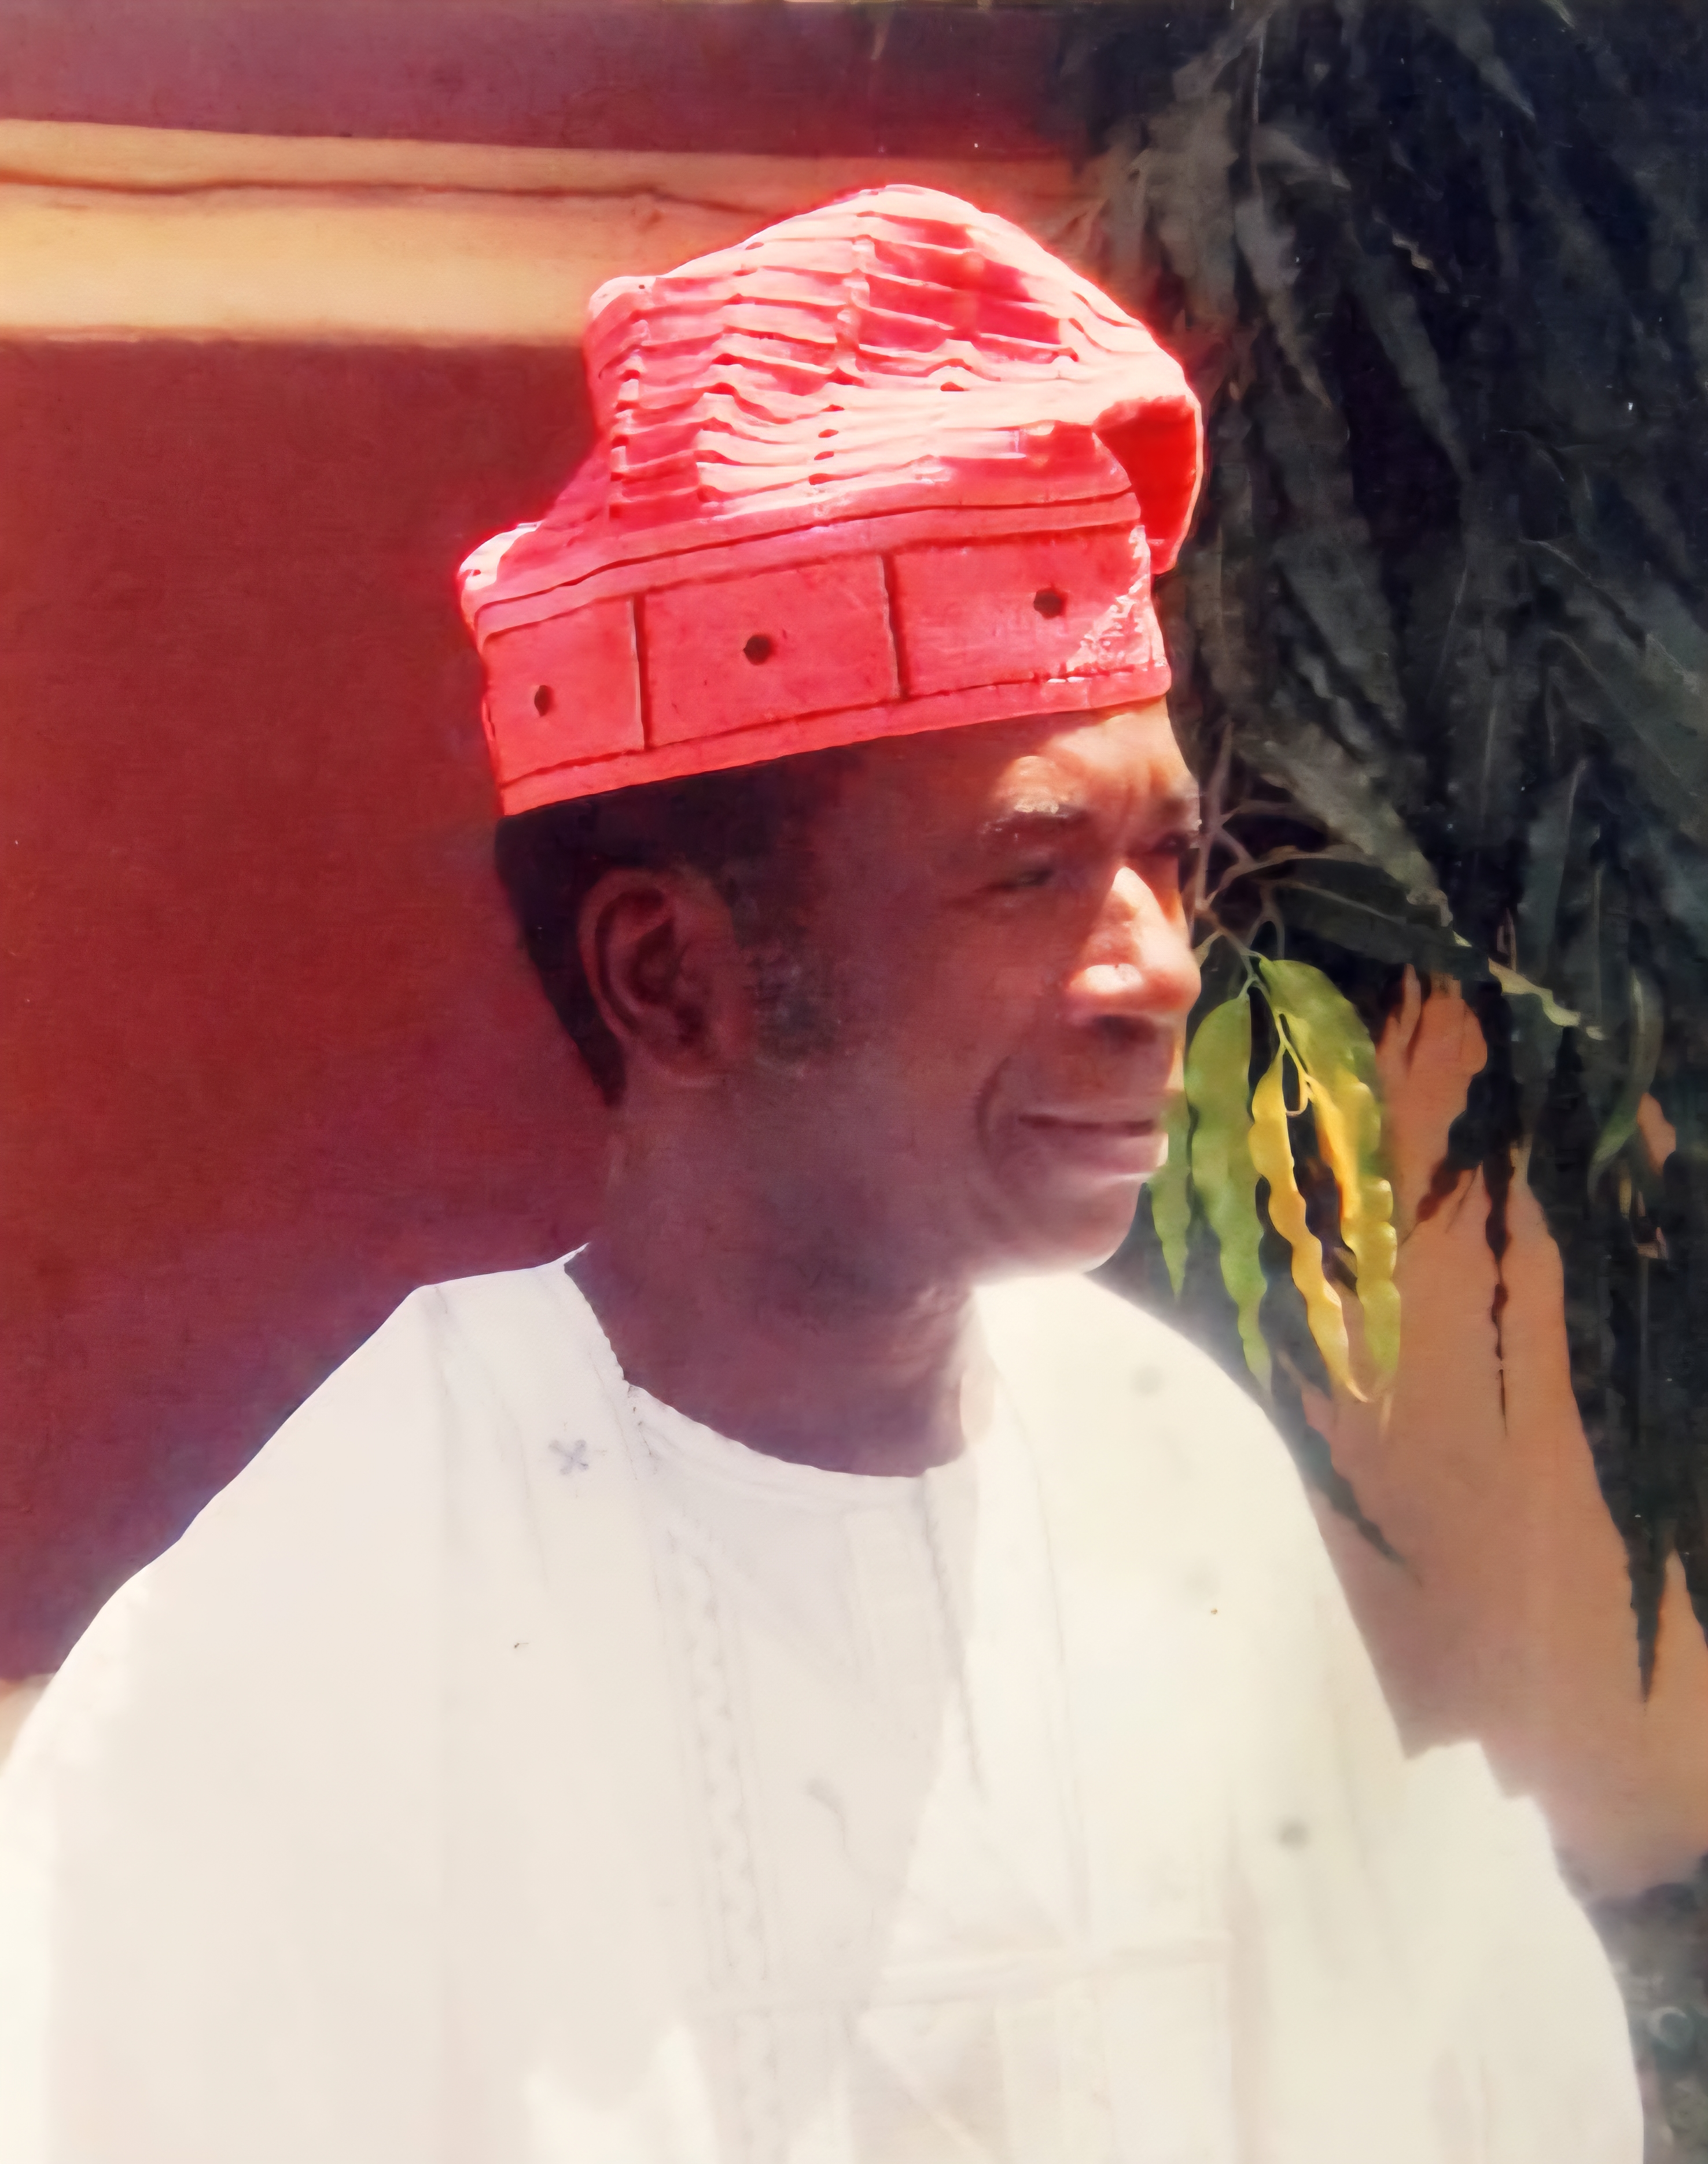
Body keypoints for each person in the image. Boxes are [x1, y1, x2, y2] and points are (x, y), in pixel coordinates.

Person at [0, 186, 1639, 2164]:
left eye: (1168, 859)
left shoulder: (1168, 1476)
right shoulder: (332, 1625)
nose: (1159, 969)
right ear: (670, 977)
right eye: (1032, 871)